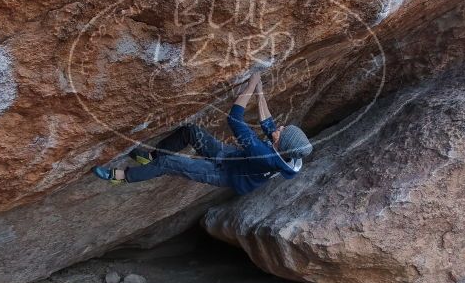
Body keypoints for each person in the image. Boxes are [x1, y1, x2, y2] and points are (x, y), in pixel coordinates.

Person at [92, 71, 313, 195]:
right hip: (230, 158)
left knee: (168, 163)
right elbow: (269, 123)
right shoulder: (283, 151)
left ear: (280, 142)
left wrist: (250, 86)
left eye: (283, 131)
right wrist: (259, 90)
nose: (281, 128)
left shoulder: (262, 154)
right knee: (191, 132)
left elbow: (234, 118)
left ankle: (121, 177)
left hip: (222, 174)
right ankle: (150, 158)